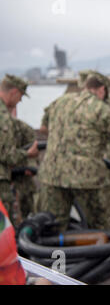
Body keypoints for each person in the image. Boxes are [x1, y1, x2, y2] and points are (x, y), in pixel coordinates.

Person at [37, 72, 110, 231]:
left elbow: (43, 128)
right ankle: (102, 254)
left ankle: (57, 255)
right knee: (104, 223)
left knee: (53, 225)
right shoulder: (101, 108)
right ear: (101, 90)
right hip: (87, 178)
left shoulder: (60, 101)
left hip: (52, 175)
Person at [77, 70, 110, 229]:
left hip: (108, 156)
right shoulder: (82, 103)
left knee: (106, 196)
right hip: (89, 159)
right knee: (89, 198)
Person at [0, 74, 39, 228]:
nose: (20, 101)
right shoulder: (3, 118)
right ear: (14, 92)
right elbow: (5, 154)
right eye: (20, 96)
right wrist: (28, 154)